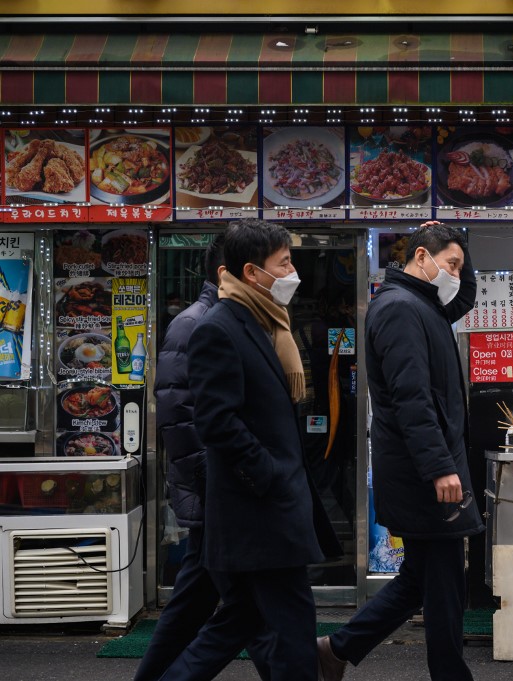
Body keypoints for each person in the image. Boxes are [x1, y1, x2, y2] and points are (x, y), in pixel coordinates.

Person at [160, 218, 340, 680]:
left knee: (235, 624)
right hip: (259, 512)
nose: (292, 272)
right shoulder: (218, 328)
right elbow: (216, 421)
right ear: (251, 272)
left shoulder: (262, 321)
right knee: (294, 628)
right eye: (284, 263)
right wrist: (269, 475)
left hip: (267, 511)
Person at [316, 222, 481, 681]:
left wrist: (459, 243)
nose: (456, 275)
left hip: (426, 468)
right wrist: (440, 468)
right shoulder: (401, 309)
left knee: (421, 580)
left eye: (459, 267)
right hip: (424, 474)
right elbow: (412, 399)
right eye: (450, 264)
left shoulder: (424, 303)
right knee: (444, 585)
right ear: (421, 257)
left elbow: (466, 296)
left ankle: (335, 650)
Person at [133, 236, 273, 681]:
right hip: (216, 492)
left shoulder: (233, 319)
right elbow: (178, 415)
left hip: (219, 490)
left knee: (204, 602)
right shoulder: (197, 324)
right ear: (233, 271)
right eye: (274, 265)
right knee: (250, 605)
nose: (282, 276)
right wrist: (213, 482)